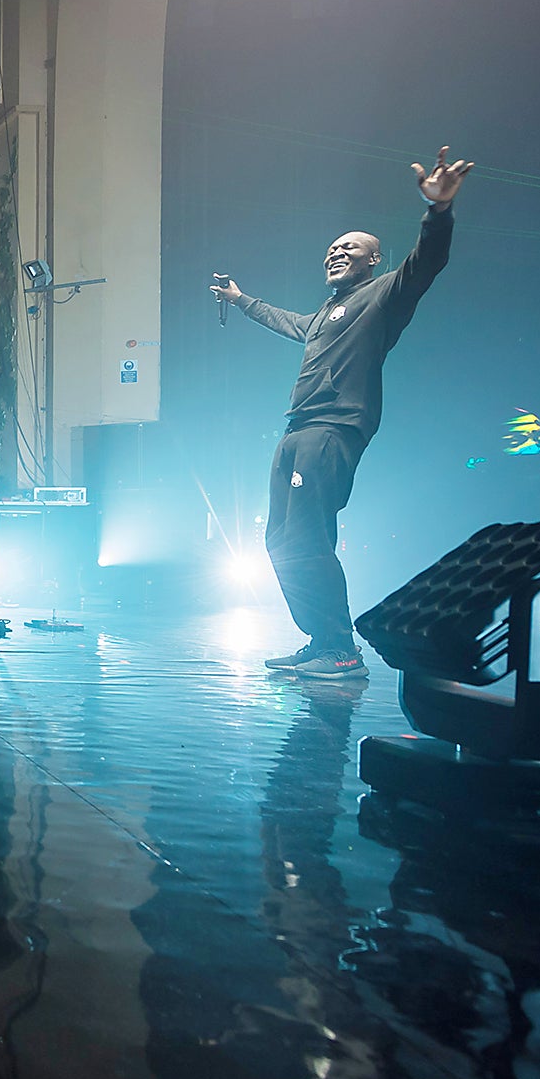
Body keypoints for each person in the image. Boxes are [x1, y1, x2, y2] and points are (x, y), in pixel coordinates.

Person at [212, 144, 472, 680]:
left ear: (372, 259)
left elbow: (428, 263)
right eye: (331, 248)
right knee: (279, 540)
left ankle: (342, 650)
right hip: (297, 430)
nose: (336, 253)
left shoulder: (383, 295)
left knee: (309, 536)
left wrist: (438, 211)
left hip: (333, 430)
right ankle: (322, 640)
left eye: (348, 248)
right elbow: (284, 320)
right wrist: (241, 300)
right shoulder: (325, 314)